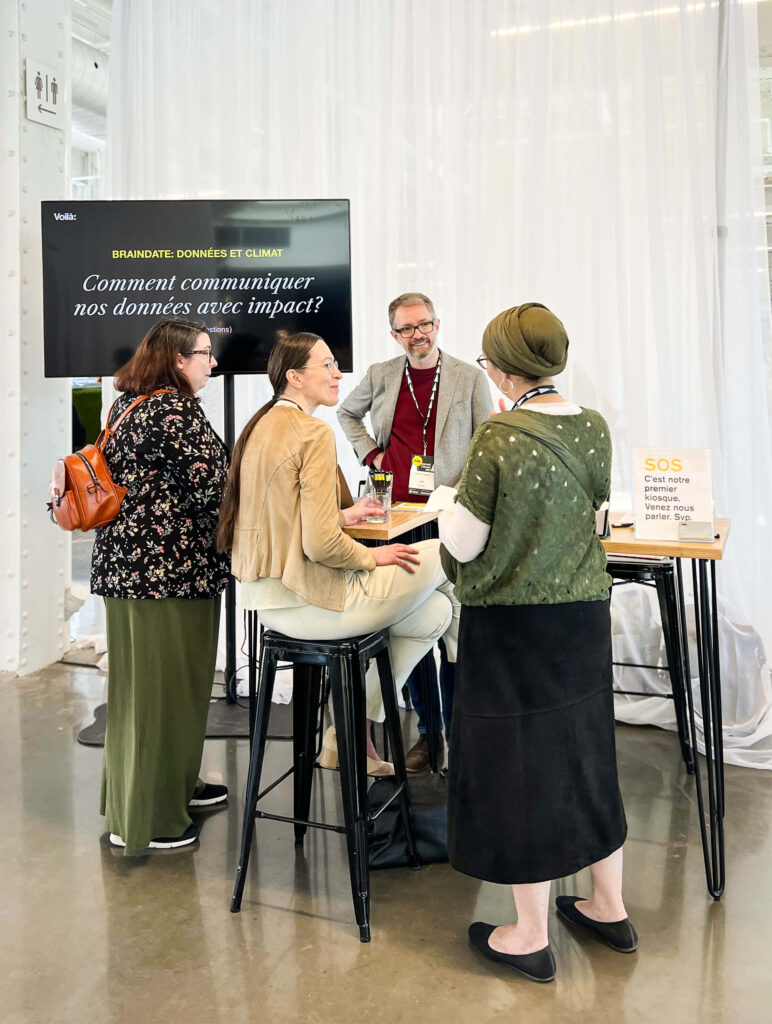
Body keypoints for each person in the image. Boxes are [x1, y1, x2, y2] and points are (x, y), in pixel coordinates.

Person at [441, 303, 635, 984]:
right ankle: (608, 904)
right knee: (587, 750)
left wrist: (443, 508)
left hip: (514, 626)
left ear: (500, 367)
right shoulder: (593, 428)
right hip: (582, 616)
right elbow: (596, 515)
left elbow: (464, 542)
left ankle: (529, 932)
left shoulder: (499, 435)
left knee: (519, 767)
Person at [217, 331, 458, 774]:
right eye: (326, 365)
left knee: (435, 613)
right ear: (294, 376)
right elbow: (319, 543)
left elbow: (286, 516)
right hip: (307, 597)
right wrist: (371, 558)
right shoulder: (312, 431)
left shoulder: (262, 422)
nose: (337, 373)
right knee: (448, 550)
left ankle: (348, 733)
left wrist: (345, 515)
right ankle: (471, 699)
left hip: (266, 600)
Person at [90, 319, 230, 855]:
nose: (211, 363)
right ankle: (149, 821)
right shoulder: (174, 412)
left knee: (144, 692)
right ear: (177, 359)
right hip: (167, 577)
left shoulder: (127, 404)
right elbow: (212, 491)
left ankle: (172, 788)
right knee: (163, 694)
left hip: (129, 571)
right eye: (203, 354)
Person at [337, 292, 490, 771]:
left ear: (437, 324)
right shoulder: (383, 374)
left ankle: (464, 735)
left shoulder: (469, 377)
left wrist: (459, 497)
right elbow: (346, 414)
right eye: (406, 329)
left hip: (450, 519)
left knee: (456, 629)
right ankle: (429, 734)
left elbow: (487, 442)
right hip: (395, 520)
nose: (417, 335)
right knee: (415, 626)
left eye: (423, 325)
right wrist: (371, 454)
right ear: (394, 335)